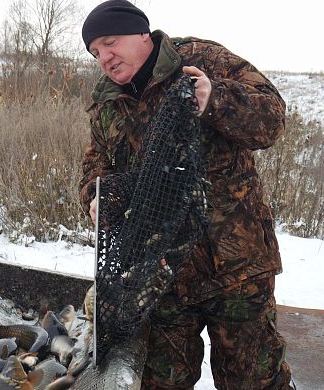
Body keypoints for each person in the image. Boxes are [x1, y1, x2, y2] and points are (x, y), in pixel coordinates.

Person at [79, 1, 293, 389]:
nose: (104, 57)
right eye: (95, 52)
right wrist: (95, 198)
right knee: (159, 383)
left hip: (234, 265)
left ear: (143, 33)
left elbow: (272, 120)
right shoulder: (107, 102)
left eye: (111, 42)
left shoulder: (200, 60)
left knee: (254, 381)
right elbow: (95, 166)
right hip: (161, 277)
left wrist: (216, 100)